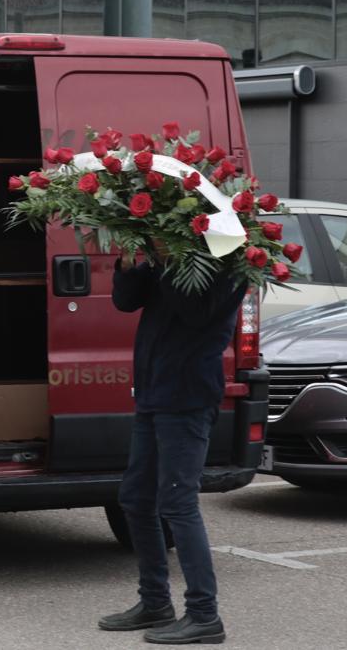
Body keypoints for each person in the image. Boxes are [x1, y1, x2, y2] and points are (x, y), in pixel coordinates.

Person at [98, 254, 245, 645]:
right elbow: (126, 302)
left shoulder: (227, 265)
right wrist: (130, 267)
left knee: (178, 502)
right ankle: (155, 602)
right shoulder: (174, 258)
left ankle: (203, 614)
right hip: (153, 392)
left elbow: (195, 311)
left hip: (187, 396)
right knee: (135, 498)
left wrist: (165, 261)